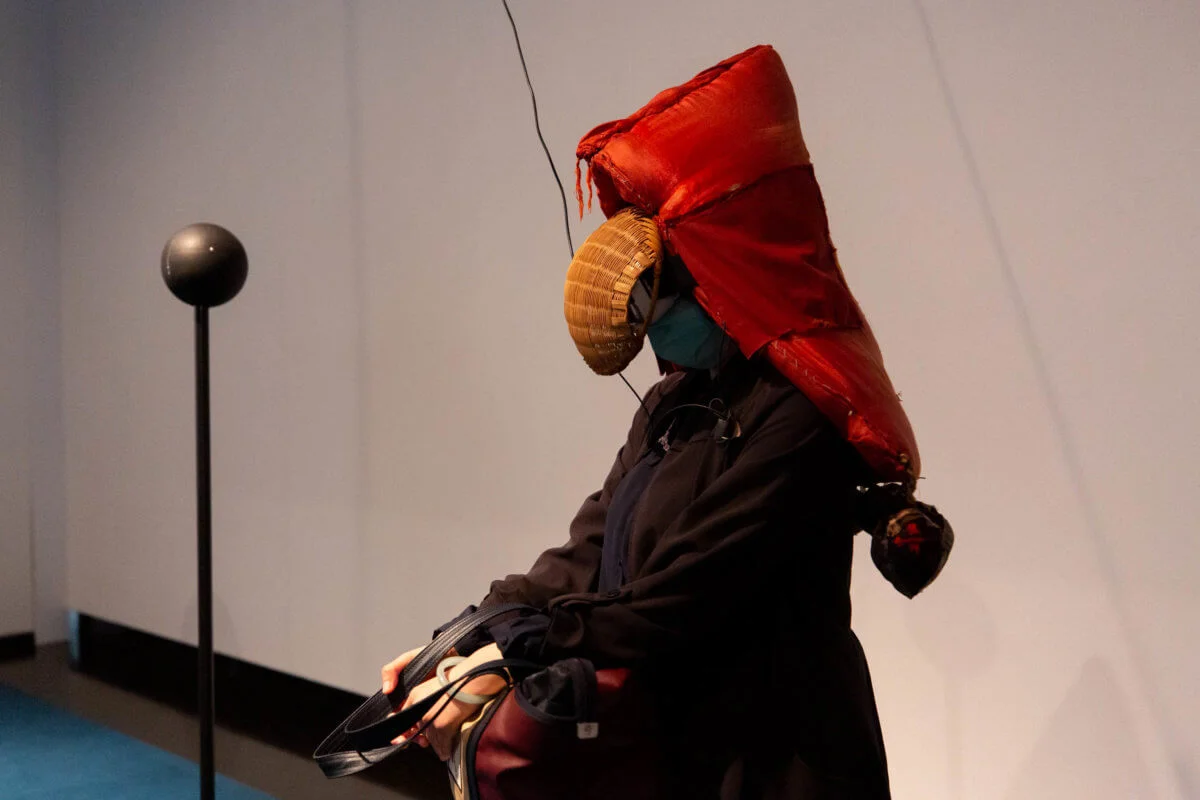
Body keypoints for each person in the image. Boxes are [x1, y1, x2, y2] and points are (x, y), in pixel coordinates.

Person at [382, 45, 950, 799]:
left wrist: (509, 651)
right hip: (674, 743)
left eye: (664, 310)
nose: (658, 339)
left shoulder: (799, 417)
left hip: (777, 759)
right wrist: (469, 632)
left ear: (714, 283)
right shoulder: (671, 405)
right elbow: (588, 549)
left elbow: (682, 597)